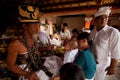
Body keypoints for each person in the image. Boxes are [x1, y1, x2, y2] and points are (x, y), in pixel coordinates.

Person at [6, 5, 51, 80]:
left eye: (37, 24)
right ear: (25, 26)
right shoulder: (15, 44)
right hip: (25, 75)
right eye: (33, 25)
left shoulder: (33, 38)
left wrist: (45, 48)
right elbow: (10, 66)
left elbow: (33, 52)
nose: (37, 27)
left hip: (37, 69)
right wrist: (28, 74)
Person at [92, 6, 120, 80]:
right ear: (95, 20)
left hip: (102, 66)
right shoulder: (92, 32)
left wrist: (112, 67)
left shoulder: (113, 32)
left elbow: (116, 51)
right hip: (91, 63)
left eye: (106, 17)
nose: (104, 20)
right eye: (101, 18)